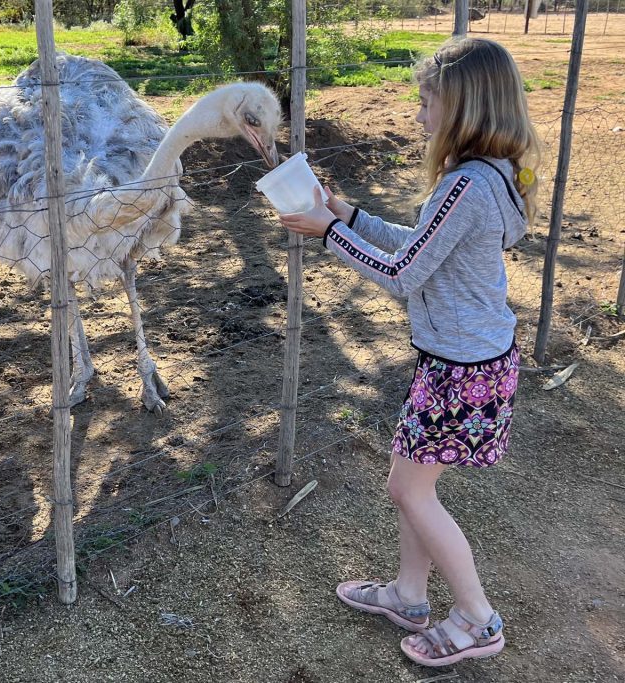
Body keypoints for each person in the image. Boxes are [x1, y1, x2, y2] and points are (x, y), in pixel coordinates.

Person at [277, 37, 540, 667]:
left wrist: (329, 232)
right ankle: (409, 593)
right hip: (473, 361)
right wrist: (346, 210)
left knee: (409, 490)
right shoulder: (493, 177)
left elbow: (402, 274)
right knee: (415, 483)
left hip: (459, 370)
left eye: (427, 103)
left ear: (463, 106)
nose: (419, 117)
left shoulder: (464, 184)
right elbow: (422, 245)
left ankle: (478, 619)